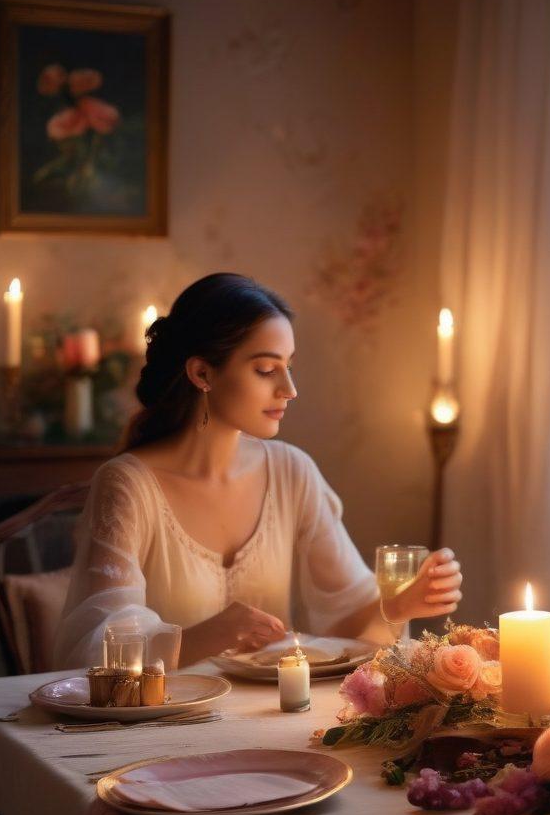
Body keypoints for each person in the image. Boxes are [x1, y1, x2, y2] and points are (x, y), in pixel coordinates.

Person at [52, 273, 462, 670]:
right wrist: (209, 635)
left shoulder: (291, 472)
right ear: (202, 373)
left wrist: (400, 605)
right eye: (266, 369)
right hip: (156, 730)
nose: (289, 388)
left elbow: (350, 621)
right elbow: (96, 650)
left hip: (265, 718)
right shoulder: (128, 484)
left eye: (289, 366)